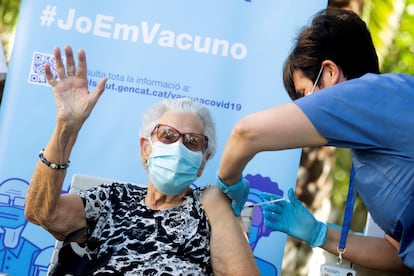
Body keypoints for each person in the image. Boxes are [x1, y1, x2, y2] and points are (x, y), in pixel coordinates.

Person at [24, 45, 259, 275]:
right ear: (145, 149)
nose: (178, 147)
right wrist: (67, 127)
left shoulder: (208, 204)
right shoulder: (112, 199)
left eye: (193, 142)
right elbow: (42, 213)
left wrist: (216, 200)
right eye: (167, 135)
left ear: (203, 162)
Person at [216, 8, 414, 273]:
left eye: (304, 95)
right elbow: (397, 252)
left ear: (330, 72)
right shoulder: (368, 142)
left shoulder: (365, 94)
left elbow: (246, 133)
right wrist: (318, 233)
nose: (303, 109)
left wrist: (229, 184)